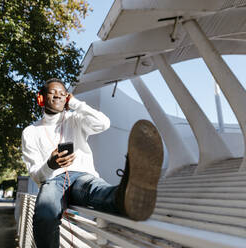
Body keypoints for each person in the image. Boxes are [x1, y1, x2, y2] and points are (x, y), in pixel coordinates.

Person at [21, 78, 163, 248]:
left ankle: (126, 195)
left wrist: (75, 103)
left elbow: (104, 123)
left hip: (83, 176)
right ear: (41, 98)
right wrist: (51, 164)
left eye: (63, 93)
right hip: (53, 181)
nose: (58, 96)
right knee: (45, 215)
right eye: (53, 92)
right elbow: (36, 175)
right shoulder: (30, 132)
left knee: (99, 191)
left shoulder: (75, 118)